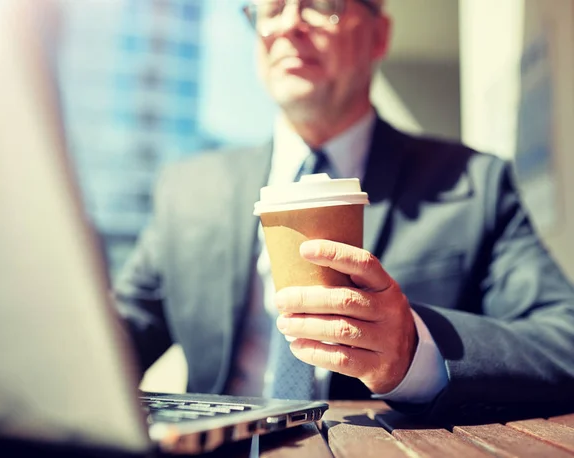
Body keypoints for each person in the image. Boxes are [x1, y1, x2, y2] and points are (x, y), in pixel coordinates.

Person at [114, 0, 574, 423]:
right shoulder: (189, 190)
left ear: (379, 35)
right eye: (270, 9)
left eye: (322, 4)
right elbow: (114, 335)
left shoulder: (475, 183)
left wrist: (414, 348)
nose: (288, 25)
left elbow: (564, 341)